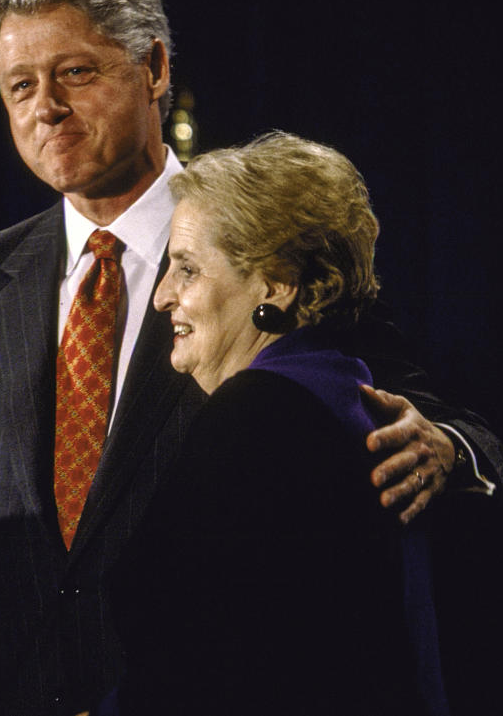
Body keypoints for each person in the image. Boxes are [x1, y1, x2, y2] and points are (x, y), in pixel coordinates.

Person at [0, 0, 503, 716]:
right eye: (20, 84)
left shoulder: (269, 240)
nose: (44, 105)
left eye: (75, 73)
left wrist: (449, 447)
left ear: (153, 67)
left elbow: (427, 421)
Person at [105, 132, 440, 714]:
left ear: (276, 284)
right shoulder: (338, 388)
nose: (162, 297)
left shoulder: (254, 418)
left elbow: (202, 660)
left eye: (187, 269)